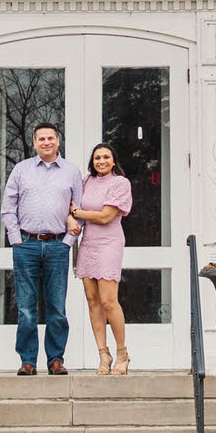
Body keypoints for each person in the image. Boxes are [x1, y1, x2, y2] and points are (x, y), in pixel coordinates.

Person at [0, 122, 83, 374]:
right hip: (26, 245)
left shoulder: (71, 172)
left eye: (50, 138)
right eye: (41, 139)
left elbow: (79, 209)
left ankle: (56, 360)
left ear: (58, 141)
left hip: (58, 245)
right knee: (25, 308)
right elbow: (8, 207)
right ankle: (27, 361)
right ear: (34, 143)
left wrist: (68, 242)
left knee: (57, 307)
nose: (46, 142)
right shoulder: (21, 170)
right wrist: (16, 239)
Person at [71, 143, 133, 375]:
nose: (101, 161)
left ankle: (122, 353)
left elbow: (107, 216)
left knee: (108, 301)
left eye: (106, 157)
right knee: (92, 300)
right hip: (88, 244)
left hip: (109, 243)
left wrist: (78, 214)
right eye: (97, 158)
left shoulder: (120, 183)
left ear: (114, 160)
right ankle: (103, 354)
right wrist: (73, 216)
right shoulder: (87, 181)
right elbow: (72, 205)